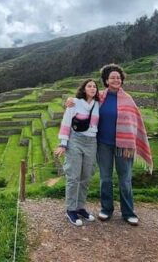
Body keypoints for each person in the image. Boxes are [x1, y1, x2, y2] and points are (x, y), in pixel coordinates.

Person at [65, 64, 152, 226]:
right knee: (105, 178)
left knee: (125, 179)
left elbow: (135, 122)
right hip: (103, 144)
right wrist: (70, 100)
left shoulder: (128, 99)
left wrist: (131, 142)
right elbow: (83, 100)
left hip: (124, 147)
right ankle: (106, 209)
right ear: (106, 80)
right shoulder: (100, 97)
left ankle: (128, 212)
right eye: (112, 77)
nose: (116, 79)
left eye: (118, 77)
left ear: (122, 80)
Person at [54, 79, 100, 226]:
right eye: (89, 86)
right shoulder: (74, 102)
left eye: (94, 86)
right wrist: (63, 143)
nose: (92, 88)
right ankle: (70, 209)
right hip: (75, 141)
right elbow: (66, 122)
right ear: (84, 89)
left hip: (91, 142)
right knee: (73, 176)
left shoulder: (98, 104)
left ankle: (80, 207)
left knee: (86, 176)